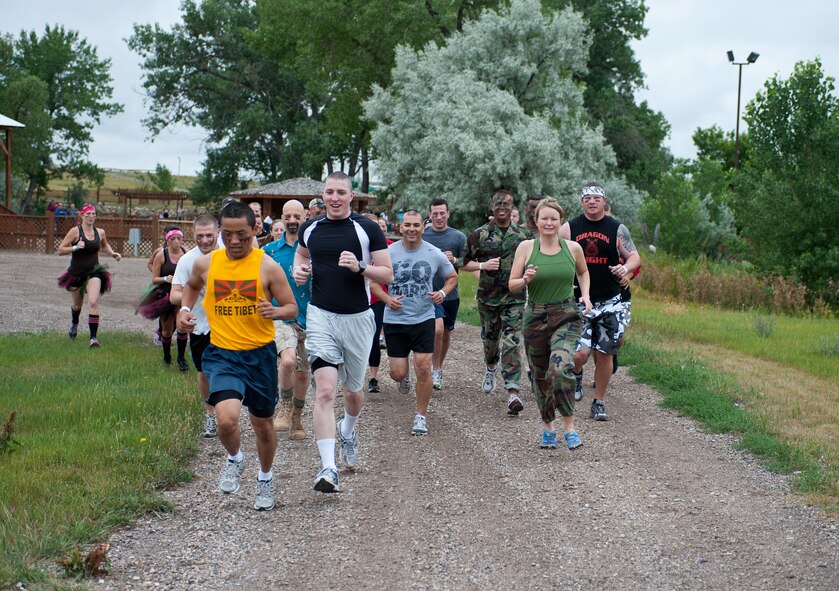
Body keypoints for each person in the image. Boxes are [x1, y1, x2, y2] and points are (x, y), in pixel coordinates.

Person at [177, 201, 297, 511]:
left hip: (259, 356)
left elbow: (291, 307)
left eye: (241, 235)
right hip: (223, 353)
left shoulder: (267, 266)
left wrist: (275, 310)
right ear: (219, 232)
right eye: (227, 234)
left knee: (263, 426)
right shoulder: (207, 264)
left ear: (256, 229)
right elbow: (190, 287)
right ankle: (235, 458)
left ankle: (265, 478)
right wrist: (186, 310)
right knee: (226, 420)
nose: (234, 241)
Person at [292, 171, 392, 493]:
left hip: (359, 319)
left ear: (351, 196)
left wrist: (361, 268)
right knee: (323, 392)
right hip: (321, 316)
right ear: (323, 195)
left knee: (352, 392)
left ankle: (348, 429)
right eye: (329, 192)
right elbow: (302, 255)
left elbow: (388, 273)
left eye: (340, 192)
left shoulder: (368, 229)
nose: (334, 198)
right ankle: (328, 468)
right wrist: (299, 272)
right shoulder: (311, 228)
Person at [510, 198, 591, 450]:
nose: (548, 222)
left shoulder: (573, 248)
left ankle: (569, 427)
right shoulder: (526, 247)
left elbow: (583, 272)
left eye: (553, 218)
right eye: (544, 218)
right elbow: (512, 285)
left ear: (560, 222)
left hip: (565, 313)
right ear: (536, 220)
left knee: (560, 368)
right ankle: (548, 427)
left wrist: (585, 295)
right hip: (535, 315)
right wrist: (524, 279)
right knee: (541, 375)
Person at [559, 182, 640, 421]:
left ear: (604, 201)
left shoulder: (616, 228)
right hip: (579, 300)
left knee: (605, 354)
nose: (592, 202)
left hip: (610, 299)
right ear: (581, 202)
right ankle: (577, 374)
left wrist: (625, 268)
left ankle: (599, 401)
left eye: (596, 198)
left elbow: (634, 256)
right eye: (588, 198)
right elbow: (553, 251)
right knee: (579, 354)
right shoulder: (569, 228)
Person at [383, 210, 457, 435]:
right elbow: (373, 281)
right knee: (397, 373)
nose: (412, 229)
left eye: (416, 224)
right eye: (408, 225)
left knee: (424, 367)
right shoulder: (388, 253)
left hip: (423, 317)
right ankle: (402, 379)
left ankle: (420, 416)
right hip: (394, 319)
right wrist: (387, 298)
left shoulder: (434, 253)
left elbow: (452, 277)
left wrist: (442, 294)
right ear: (401, 227)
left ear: (423, 227)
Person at [461, 190, 531, 416]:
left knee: (511, 341)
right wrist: (483, 266)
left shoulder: (524, 237)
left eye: (507, 204)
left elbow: (535, 262)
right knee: (491, 341)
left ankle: (513, 391)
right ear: (492, 207)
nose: (502, 207)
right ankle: (491, 366)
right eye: (498, 204)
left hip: (514, 298)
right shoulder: (479, 235)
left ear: (513, 208)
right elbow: (464, 263)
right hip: (488, 298)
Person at [263, 200, 311, 441]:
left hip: (311, 317)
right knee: (289, 361)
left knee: (303, 374)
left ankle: (297, 418)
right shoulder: (269, 251)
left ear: (305, 217)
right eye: (288, 216)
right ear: (280, 219)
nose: (292, 221)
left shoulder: (314, 248)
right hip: (281, 315)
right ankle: (284, 406)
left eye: (297, 216)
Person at [171, 214, 221, 437]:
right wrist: (191, 298)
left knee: (228, 369)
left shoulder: (229, 254)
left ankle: (228, 412)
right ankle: (210, 414)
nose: (204, 240)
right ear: (193, 235)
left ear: (218, 233)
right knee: (203, 372)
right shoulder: (187, 260)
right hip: (200, 325)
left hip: (227, 324)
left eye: (209, 235)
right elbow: (174, 294)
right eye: (199, 236)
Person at [57, 204, 122, 347]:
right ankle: (74, 324)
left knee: (93, 302)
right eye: (88, 214)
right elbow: (60, 250)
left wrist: (112, 254)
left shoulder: (100, 232)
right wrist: (75, 247)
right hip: (76, 273)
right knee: (76, 306)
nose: (91, 217)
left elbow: (104, 245)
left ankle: (93, 338)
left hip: (94, 272)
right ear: (82, 216)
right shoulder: (75, 231)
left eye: (93, 214)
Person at [422, 198, 467, 391]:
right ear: (429, 215)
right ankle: (432, 369)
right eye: (435, 214)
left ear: (448, 214)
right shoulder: (423, 235)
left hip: (450, 293)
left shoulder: (458, 237)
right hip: (427, 294)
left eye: (442, 213)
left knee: (446, 333)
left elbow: (469, 261)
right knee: (436, 331)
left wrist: (455, 259)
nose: (439, 217)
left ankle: (438, 368)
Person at [138, 225, 189, 369]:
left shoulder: (187, 254)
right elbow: (154, 279)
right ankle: (167, 357)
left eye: (179, 238)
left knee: (181, 326)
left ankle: (181, 359)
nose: (176, 242)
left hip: (181, 295)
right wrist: (166, 278)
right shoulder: (161, 255)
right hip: (164, 296)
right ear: (167, 240)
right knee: (166, 330)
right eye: (173, 239)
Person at [365, 214, 394, 394]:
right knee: (370, 338)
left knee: (384, 336)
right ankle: (372, 377)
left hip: (382, 298)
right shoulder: (356, 245)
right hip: (360, 298)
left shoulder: (390, 246)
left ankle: (398, 371)